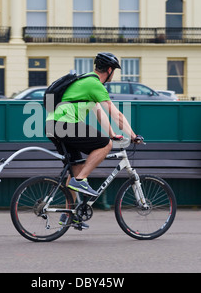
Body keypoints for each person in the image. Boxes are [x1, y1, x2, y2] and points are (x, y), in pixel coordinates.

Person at [45, 52, 143, 229]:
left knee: (75, 168)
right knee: (105, 144)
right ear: (110, 70)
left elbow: (100, 113)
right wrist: (133, 135)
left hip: (53, 125)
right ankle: (81, 180)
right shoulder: (94, 84)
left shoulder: (86, 82)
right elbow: (116, 114)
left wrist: (112, 133)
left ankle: (69, 214)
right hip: (63, 124)